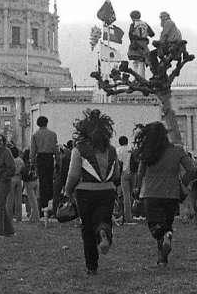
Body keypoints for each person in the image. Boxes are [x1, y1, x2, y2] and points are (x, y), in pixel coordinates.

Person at [62, 109, 122, 275]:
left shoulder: (79, 149)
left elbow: (73, 174)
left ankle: (92, 266)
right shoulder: (111, 150)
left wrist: (68, 191)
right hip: (107, 191)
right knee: (103, 220)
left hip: (85, 192)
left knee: (87, 228)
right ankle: (103, 233)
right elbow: (116, 174)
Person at [133, 121, 194, 266]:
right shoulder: (177, 150)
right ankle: (162, 259)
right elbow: (191, 169)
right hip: (171, 194)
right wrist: (183, 182)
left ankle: (166, 236)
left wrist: (137, 187)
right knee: (166, 223)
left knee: (155, 226)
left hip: (151, 193)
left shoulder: (147, 152)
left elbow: (140, 173)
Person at [29, 117, 59, 220]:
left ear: (38, 124)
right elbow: (56, 149)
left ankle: (43, 207)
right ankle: (50, 208)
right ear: (47, 123)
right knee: (50, 182)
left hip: (40, 158)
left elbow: (33, 150)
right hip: (50, 158)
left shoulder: (35, 135)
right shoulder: (53, 134)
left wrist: (32, 163)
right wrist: (58, 161)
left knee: (42, 184)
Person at [126, 10, 154, 77]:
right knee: (142, 62)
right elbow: (152, 34)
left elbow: (130, 35)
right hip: (144, 45)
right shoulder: (145, 24)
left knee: (135, 62)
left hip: (135, 44)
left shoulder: (133, 24)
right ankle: (142, 79)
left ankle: (136, 79)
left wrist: (133, 42)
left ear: (132, 17)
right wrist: (145, 35)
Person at [116, 135, 135, 224]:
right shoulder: (132, 148)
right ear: (127, 141)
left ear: (120, 142)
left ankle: (128, 217)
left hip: (124, 173)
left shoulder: (119, 150)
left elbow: (118, 163)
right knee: (131, 195)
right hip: (133, 173)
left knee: (126, 196)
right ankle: (131, 214)